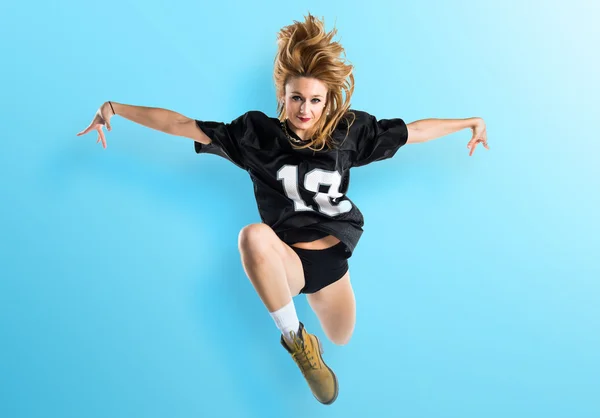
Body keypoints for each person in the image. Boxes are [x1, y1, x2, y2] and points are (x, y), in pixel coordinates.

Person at [76, 13, 488, 405]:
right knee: (252, 236)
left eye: (314, 100)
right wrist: (114, 108)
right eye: (296, 98)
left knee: (342, 337)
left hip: (331, 263)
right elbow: (181, 124)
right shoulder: (255, 134)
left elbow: (413, 131)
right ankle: (296, 339)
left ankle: (314, 329)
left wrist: (469, 121)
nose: (304, 110)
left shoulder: (349, 132)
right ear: (282, 96)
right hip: (285, 261)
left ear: (328, 101)